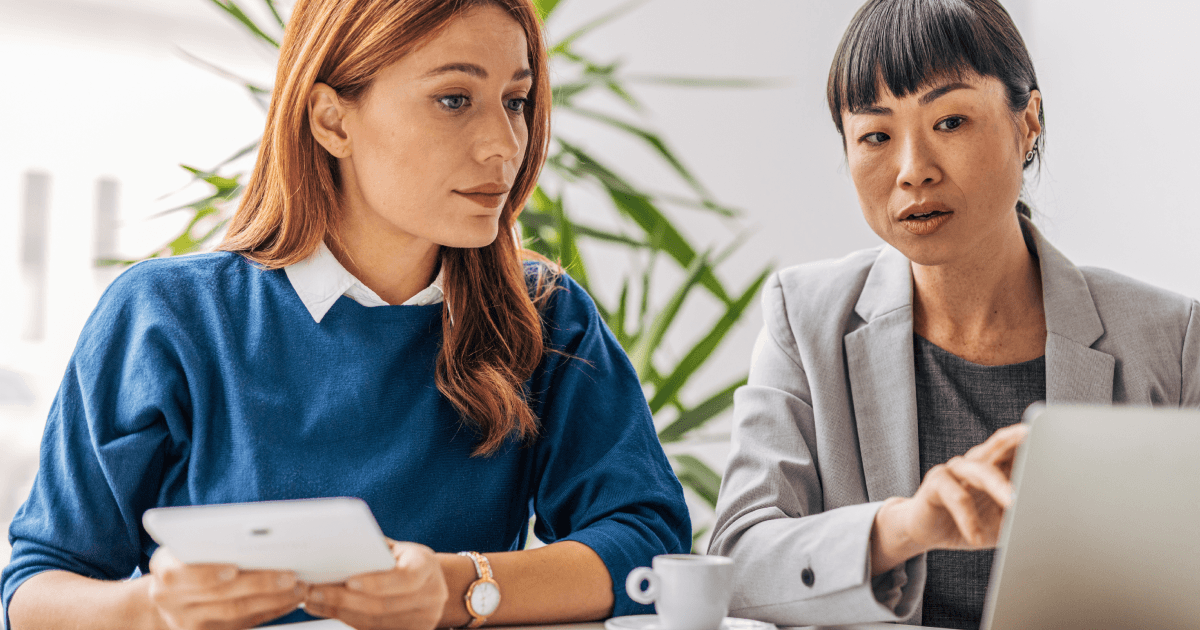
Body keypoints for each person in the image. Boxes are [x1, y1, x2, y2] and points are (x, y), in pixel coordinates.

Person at [1, 1, 690, 628]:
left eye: (515, 100)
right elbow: (34, 591)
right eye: (454, 99)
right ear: (332, 119)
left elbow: (647, 544)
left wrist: (456, 588)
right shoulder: (168, 315)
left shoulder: (543, 314)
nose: (505, 146)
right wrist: (152, 608)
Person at [707, 0, 1199, 629]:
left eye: (951, 121)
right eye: (876, 135)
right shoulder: (805, 321)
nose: (913, 172)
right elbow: (737, 562)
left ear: (1028, 124)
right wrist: (905, 528)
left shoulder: (1171, 340)